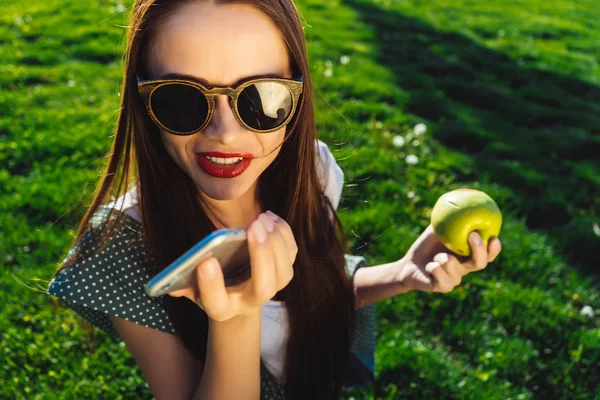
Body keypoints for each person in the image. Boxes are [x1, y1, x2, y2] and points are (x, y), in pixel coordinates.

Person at [46, 0, 503, 399]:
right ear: (142, 102)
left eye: (262, 99)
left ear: (297, 96)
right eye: (182, 100)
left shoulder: (311, 174)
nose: (225, 134)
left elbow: (311, 296)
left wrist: (401, 275)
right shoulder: (119, 251)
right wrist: (235, 319)